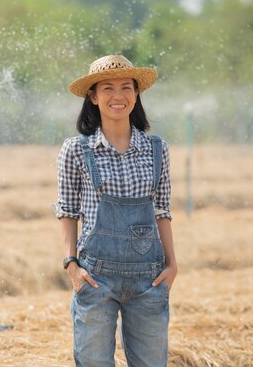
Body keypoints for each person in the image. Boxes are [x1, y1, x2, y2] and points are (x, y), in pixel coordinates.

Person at [55, 54, 178, 367]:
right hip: (95, 277)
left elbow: (162, 211)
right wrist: (72, 265)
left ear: (136, 95)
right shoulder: (76, 150)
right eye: (107, 88)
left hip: (148, 280)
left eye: (126, 87)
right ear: (93, 97)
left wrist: (172, 266)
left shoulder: (156, 149)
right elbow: (67, 210)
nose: (118, 95)